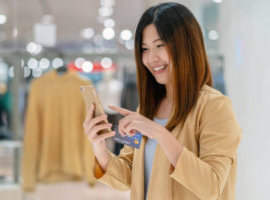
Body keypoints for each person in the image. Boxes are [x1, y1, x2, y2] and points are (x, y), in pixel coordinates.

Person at [83, 2, 241, 200]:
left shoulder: (215, 107)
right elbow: (129, 175)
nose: (151, 58)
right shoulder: (146, 109)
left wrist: (159, 133)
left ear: (186, 45)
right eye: (144, 49)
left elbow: (211, 186)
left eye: (159, 45)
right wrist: (99, 147)